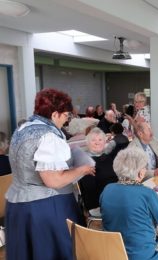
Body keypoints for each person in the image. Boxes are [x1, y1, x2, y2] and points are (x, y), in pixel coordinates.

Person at [5, 88, 95, 260]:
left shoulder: (22, 129)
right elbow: (53, 181)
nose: (67, 120)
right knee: (51, 252)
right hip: (44, 208)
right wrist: (82, 169)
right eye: (66, 115)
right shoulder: (49, 136)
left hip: (17, 205)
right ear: (55, 114)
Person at [100, 146, 158, 260]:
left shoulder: (107, 189)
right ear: (141, 173)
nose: (146, 170)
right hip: (141, 255)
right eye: (145, 167)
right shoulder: (146, 193)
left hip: (114, 251)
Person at [79, 127, 128, 211]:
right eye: (93, 140)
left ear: (105, 142)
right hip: (102, 204)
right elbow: (90, 193)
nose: (97, 143)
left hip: (116, 197)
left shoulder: (107, 157)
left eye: (100, 140)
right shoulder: (86, 162)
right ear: (87, 143)